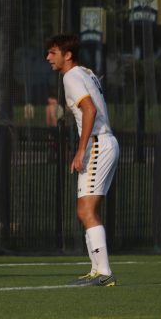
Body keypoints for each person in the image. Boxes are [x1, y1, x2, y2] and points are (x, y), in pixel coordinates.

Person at [45, 34, 119, 287]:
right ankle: (97, 270)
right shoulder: (85, 73)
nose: (48, 58)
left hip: (97, 143)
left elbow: (90, 110)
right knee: (85, 210)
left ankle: (104, 272)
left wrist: (81, 150)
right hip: (101, 142)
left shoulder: (71, 76)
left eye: (53, 52)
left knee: (86, 210)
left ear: (67, 55)